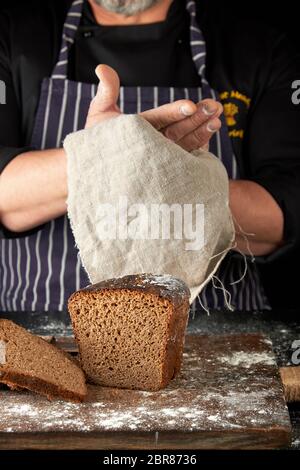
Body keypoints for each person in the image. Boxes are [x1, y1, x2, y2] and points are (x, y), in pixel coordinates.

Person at [0, 0, 299, 313]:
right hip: (43, 336)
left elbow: (286, 214)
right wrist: (105, 155)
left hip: (215, 338)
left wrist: (171, 179)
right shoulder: (13, 36)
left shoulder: (258, 49)